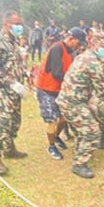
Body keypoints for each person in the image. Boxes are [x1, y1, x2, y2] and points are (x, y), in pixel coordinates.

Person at [56, 32, 104, 179]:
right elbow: (102, 91)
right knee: (92, 131)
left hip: (69, 100)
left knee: (81, 130)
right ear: (95, 45)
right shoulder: (93, 63)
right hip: (73, 103)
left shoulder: (85, 56)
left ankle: (79, 151)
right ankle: (79, 164)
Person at [0, 11, 30, 175]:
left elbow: (15, 64)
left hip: (15, 91)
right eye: (17, 24)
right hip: (2, 92)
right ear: (6, 25)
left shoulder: (14, 42)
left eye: (20, 24)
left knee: (15, 121)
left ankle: (9, 149)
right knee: (3, 122)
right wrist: (11, 83)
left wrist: (26, 74)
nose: (20, 27)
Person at [33, 27, 84, 160]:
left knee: (64, 117)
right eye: (78, 43)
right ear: (71, 39)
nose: (79, 47)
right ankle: (51, 146)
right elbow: (56, 73)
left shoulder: (70, 52)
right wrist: (72, 82)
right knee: (52, 120)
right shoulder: (57, 48)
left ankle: (56, 136)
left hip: (59, 89)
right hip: (46, 89)